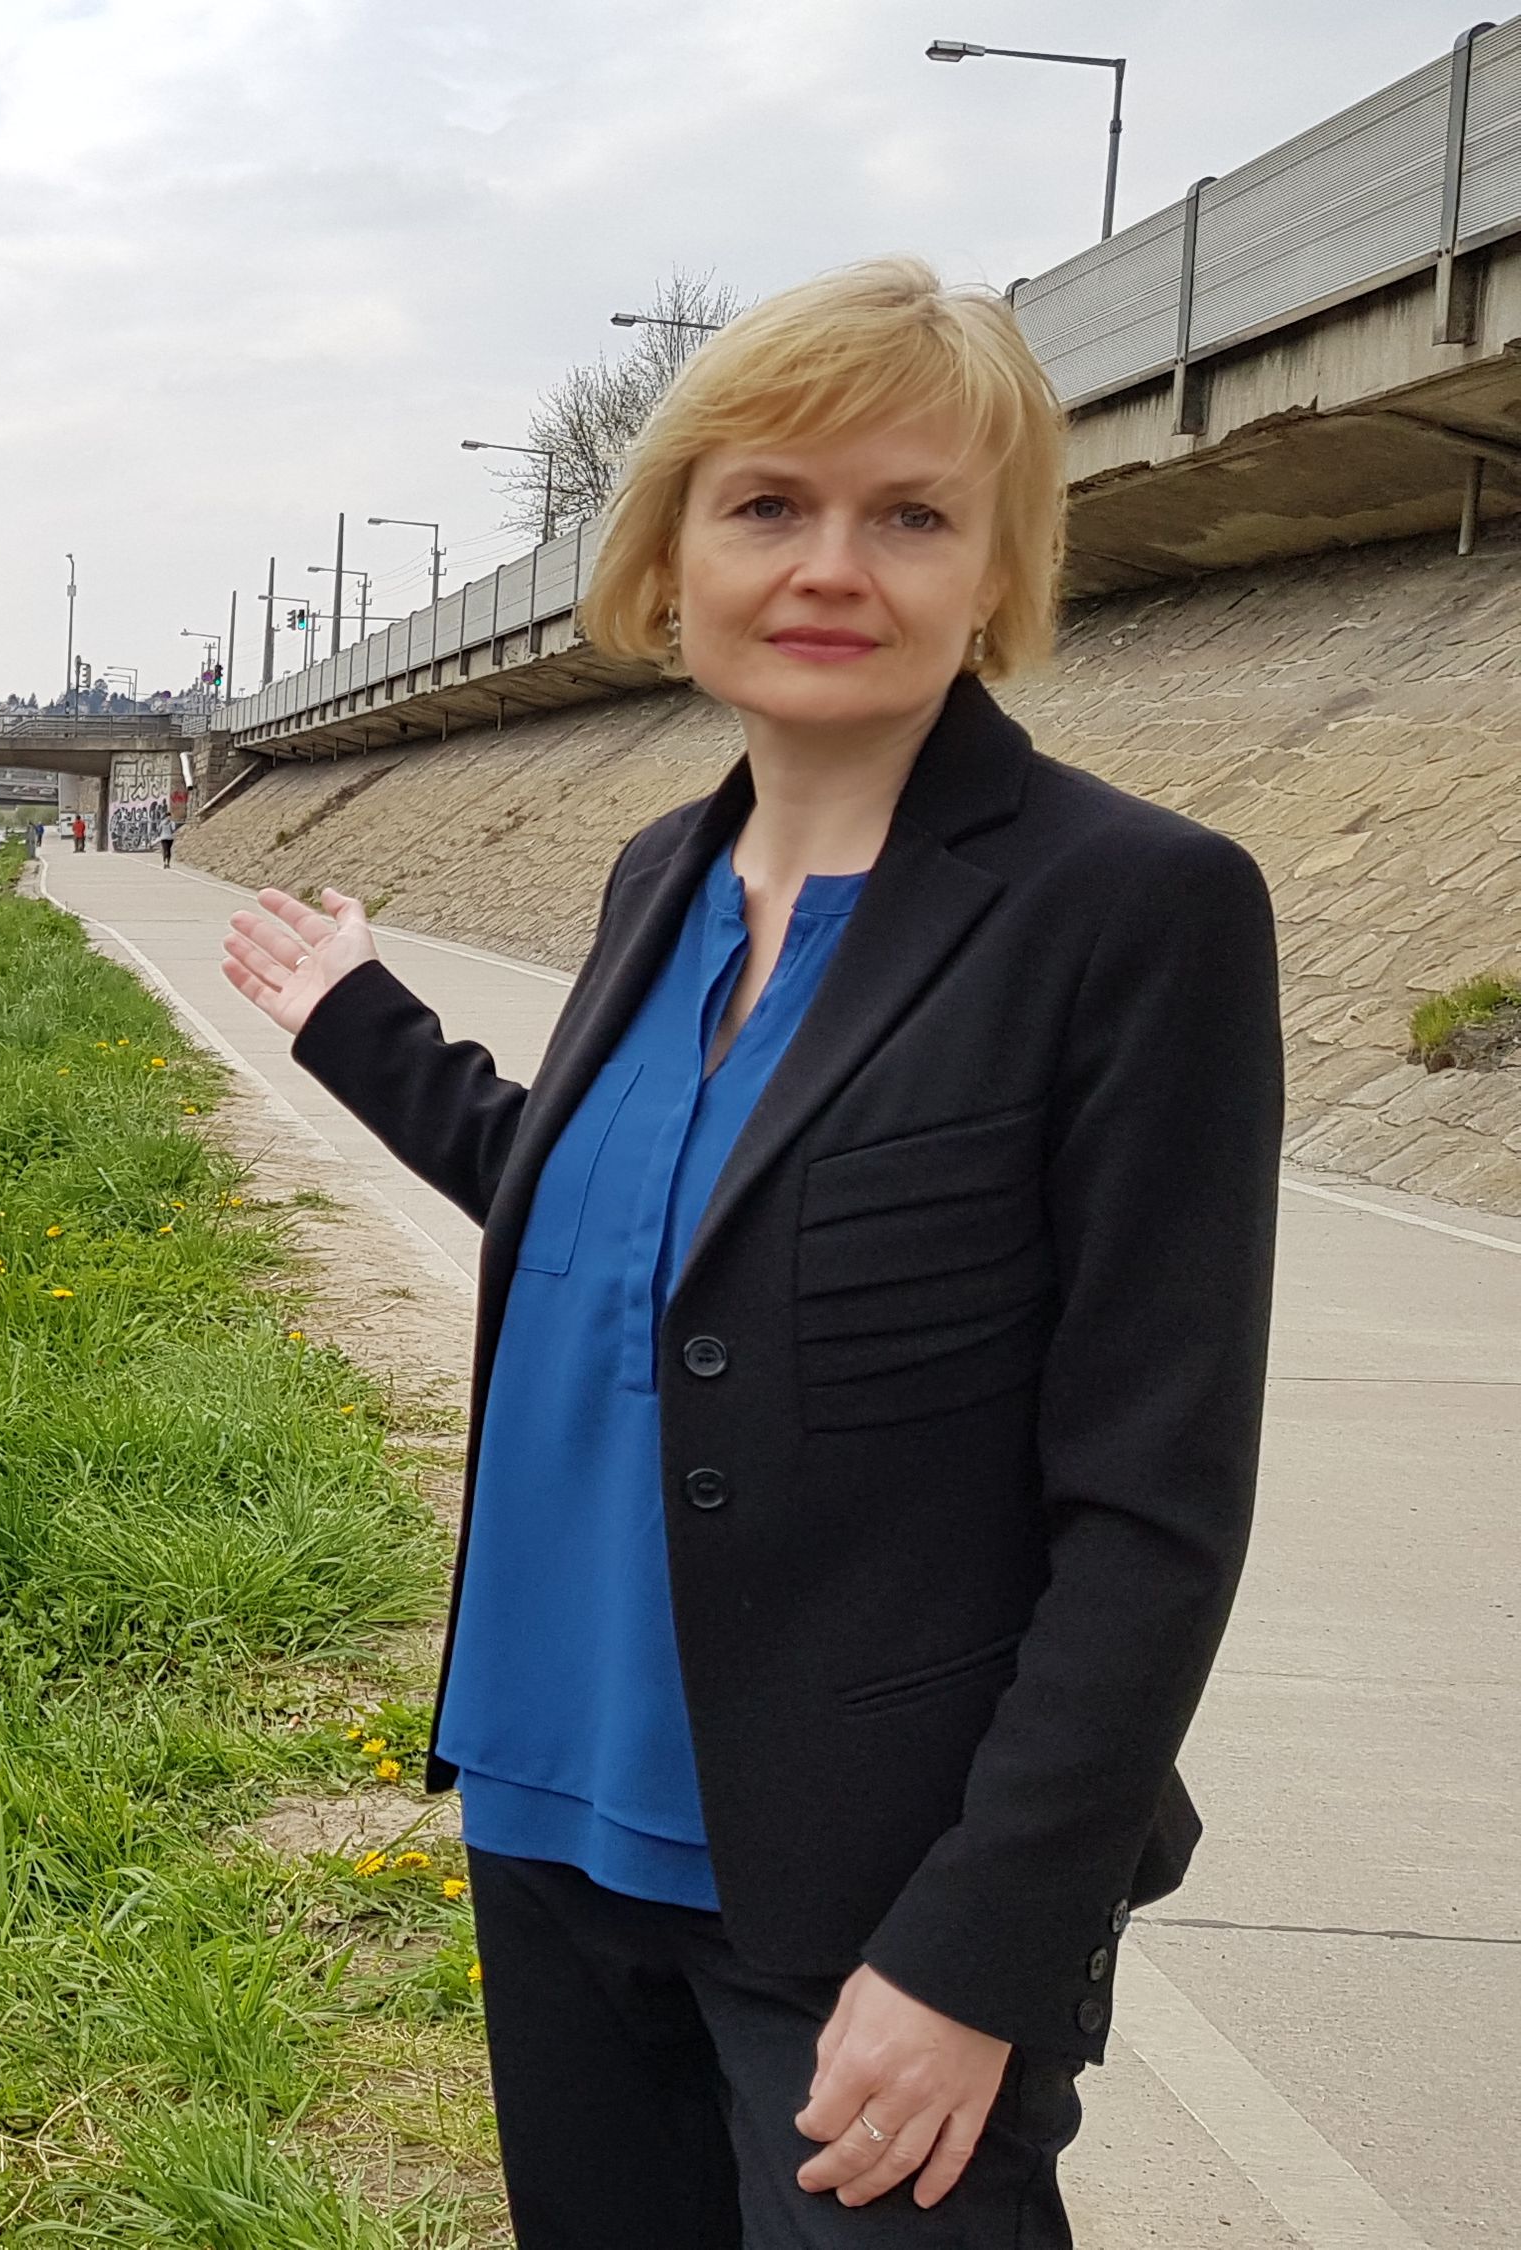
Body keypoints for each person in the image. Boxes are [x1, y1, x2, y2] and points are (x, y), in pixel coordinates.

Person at [220, 259, 1277, 2246]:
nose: (829, 567)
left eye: (911, 515)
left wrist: (976, 1952)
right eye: (768, 504)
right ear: (672, 553)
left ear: (994, 570)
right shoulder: (664, 874)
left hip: (860, 1895)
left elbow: (1154, 1505)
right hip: (547, 1819)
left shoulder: (1132, 909)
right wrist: (361, 1030)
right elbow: (646, 1230)